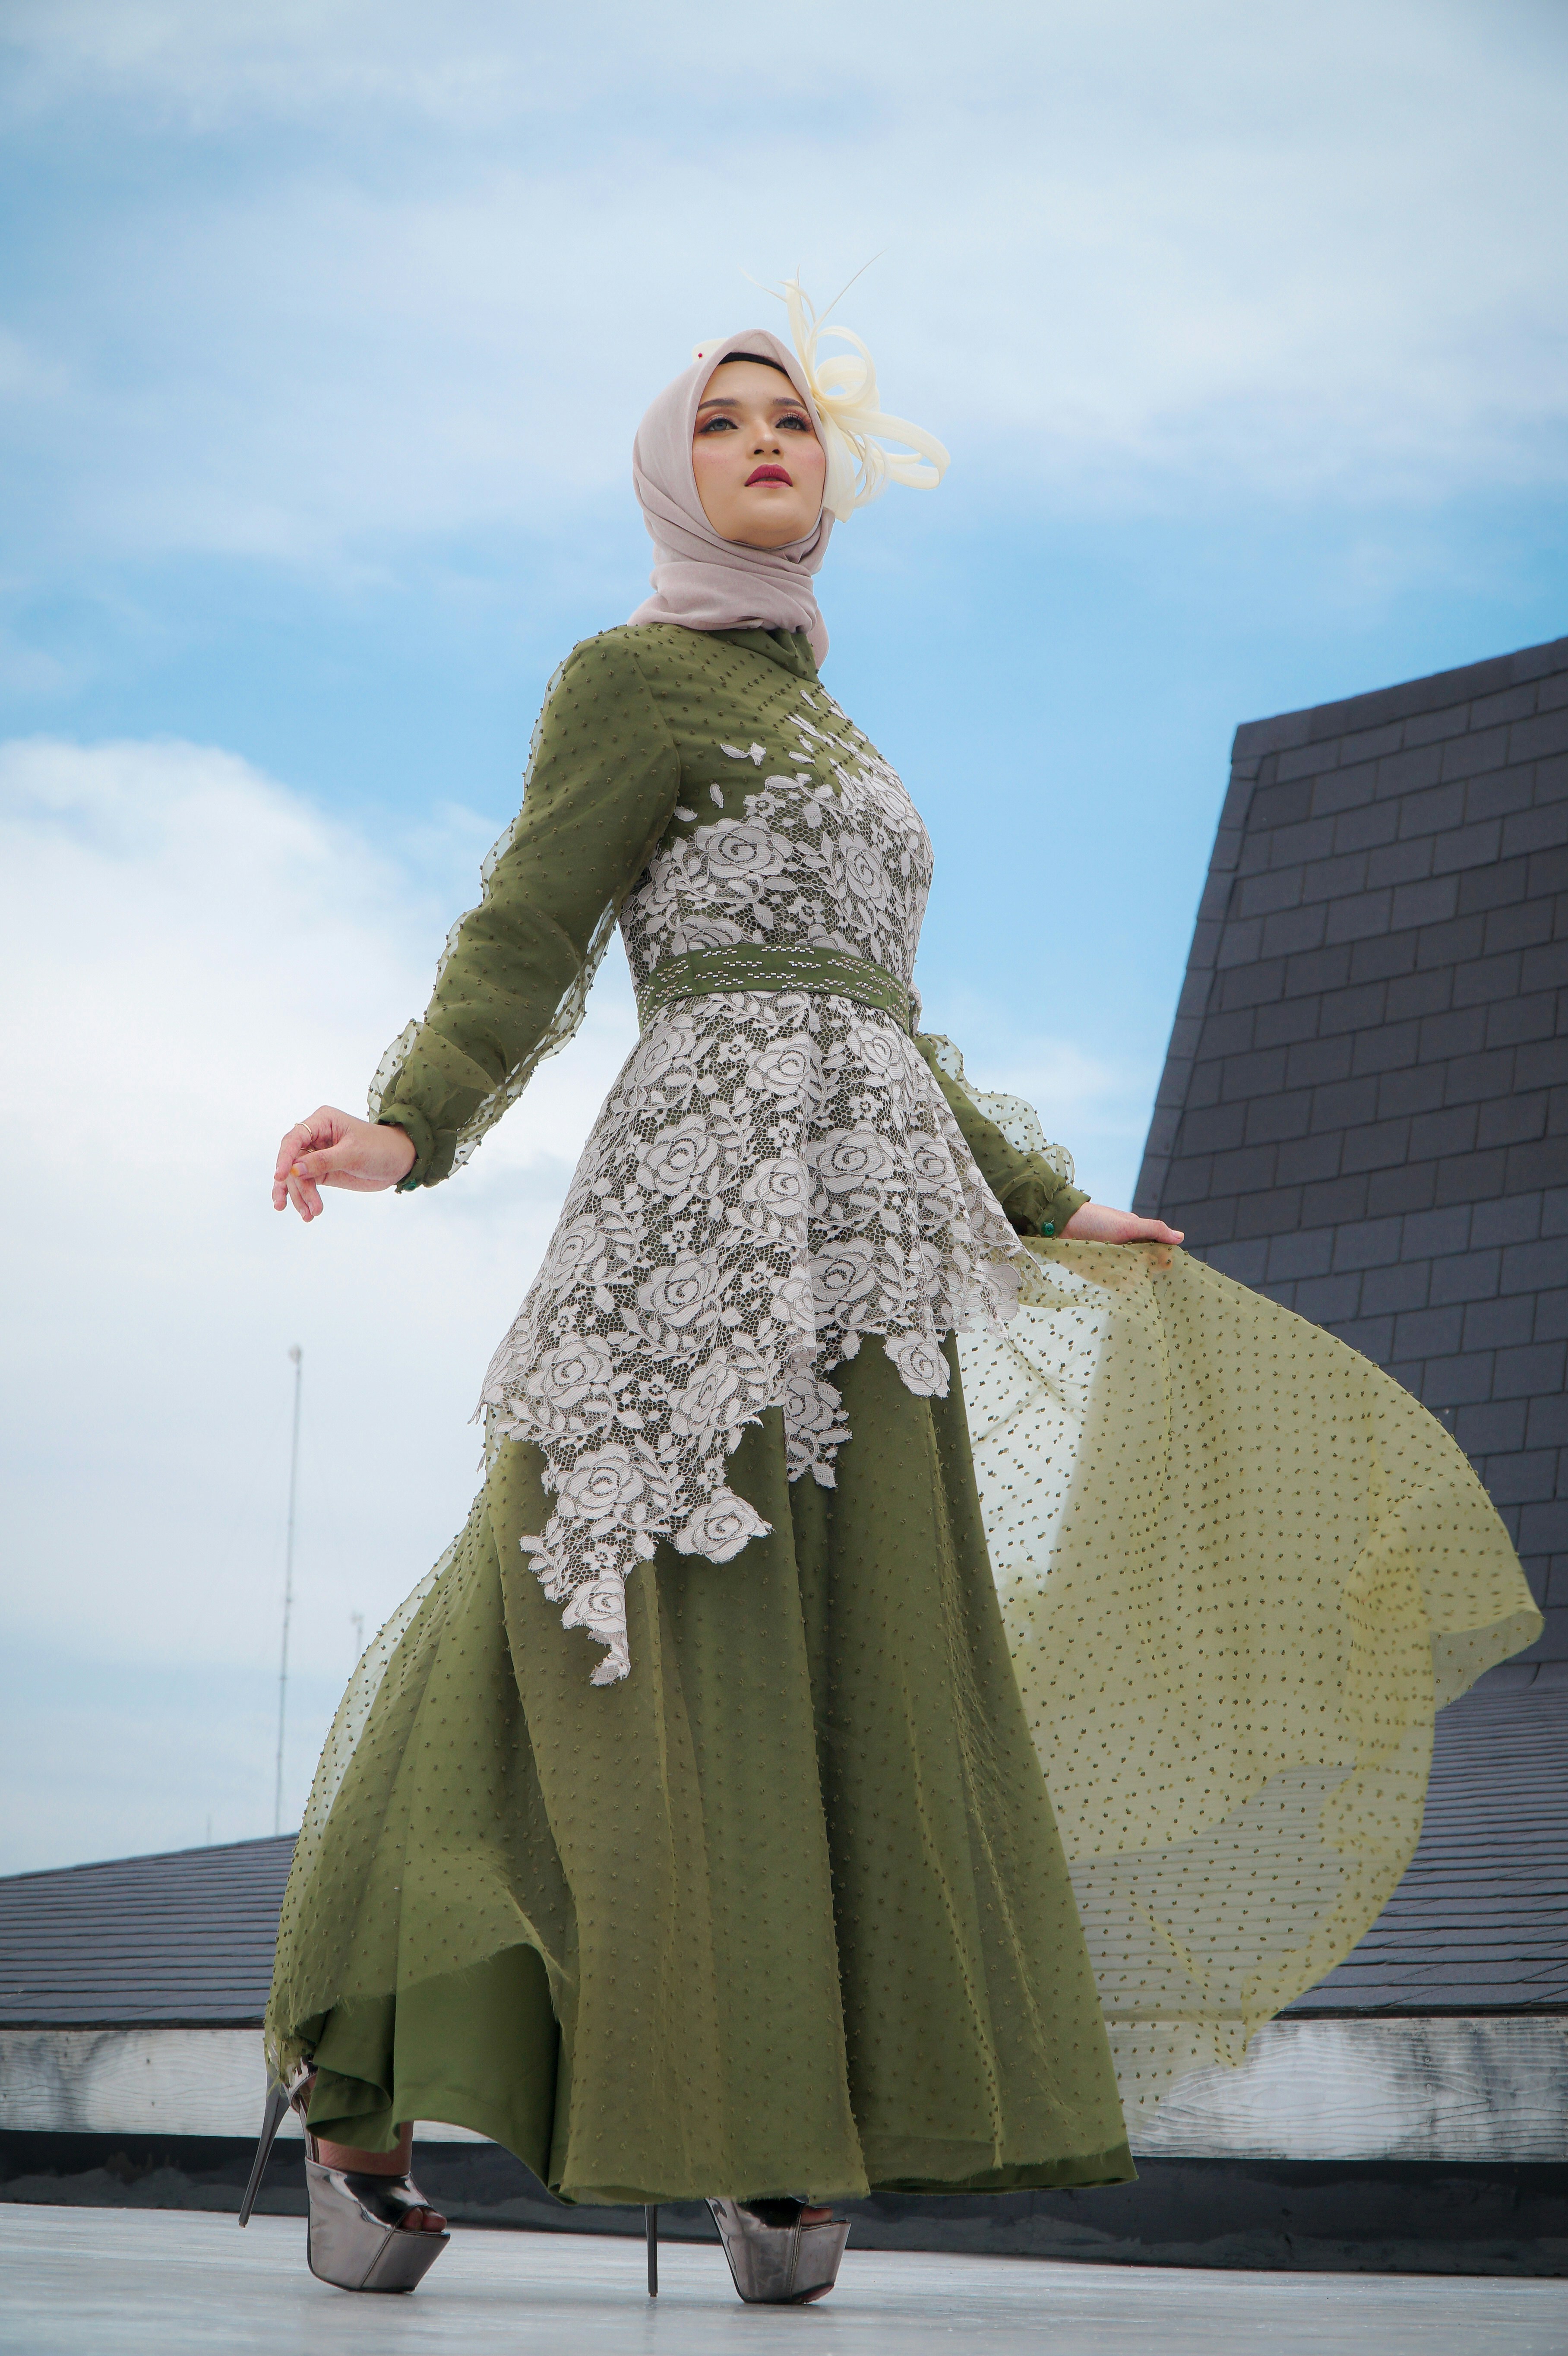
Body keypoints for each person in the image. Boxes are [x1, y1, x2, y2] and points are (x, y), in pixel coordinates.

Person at [240, 286, 1540, 2305]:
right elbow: (526, 926)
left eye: (790, 418)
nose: (765, 440)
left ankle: (780, 2123)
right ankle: (359, 2096)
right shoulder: (630, 678)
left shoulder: (840, 728)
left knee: (837, 1672)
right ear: (669, 476)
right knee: (570, 1631)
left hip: (872, 1248)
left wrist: (1040, 1192)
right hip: (696, 1217)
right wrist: (411, 1120)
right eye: (720, 421)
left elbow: (890, 1021)